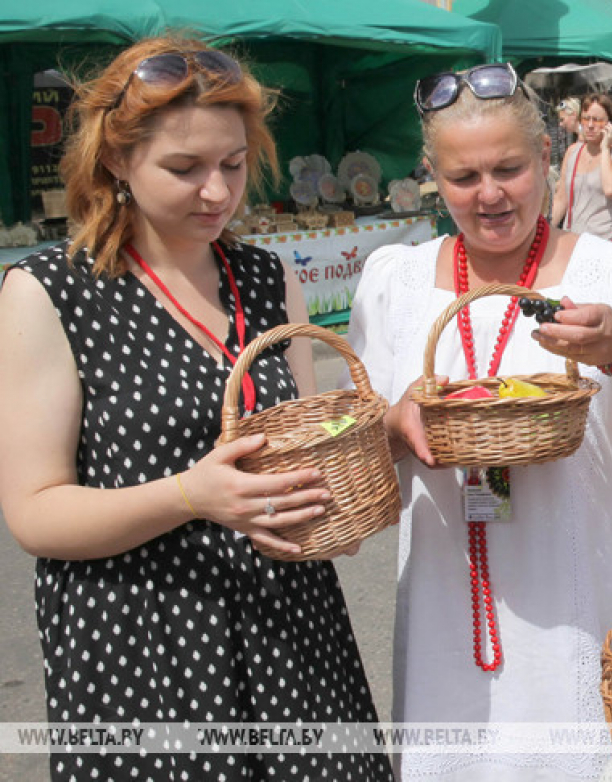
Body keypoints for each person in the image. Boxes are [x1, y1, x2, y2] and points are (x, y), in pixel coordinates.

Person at [0, 36, 391, 780]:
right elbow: (34, 513)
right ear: (116, 161)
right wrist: (191, 496)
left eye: (234, 164)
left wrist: (330, 509)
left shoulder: (267, 277)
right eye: (184, 169)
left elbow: (306, 446)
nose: (217, 191)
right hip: (145, 648)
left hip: (291, 632)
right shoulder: (52, 292)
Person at [351, 62, 612, 780]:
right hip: (441, 624)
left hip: (572, 620)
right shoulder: (394, 283)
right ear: (432, 174)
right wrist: (391, 431)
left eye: (510, 169)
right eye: (463, 177)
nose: (489, 195)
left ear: (547, 156)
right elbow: (362, 459)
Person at [553, 93, 612, 240]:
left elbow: (611, 189)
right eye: (586, 119)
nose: (590, 125)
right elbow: (561, 199)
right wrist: (544, 232)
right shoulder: (573, 151)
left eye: (597, 120)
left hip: (608, 242)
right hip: (574, 242)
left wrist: (605, 149)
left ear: (610, 124)